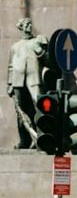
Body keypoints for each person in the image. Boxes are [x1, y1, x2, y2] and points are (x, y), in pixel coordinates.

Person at [6, 18, 47, 149]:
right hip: (18, 80)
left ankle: (41, 138)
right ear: (22, 27)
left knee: (38, 106)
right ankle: (24, 140)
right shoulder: (15, 46)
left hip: (33, 78)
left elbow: (46, 58)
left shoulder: (36, 41)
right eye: (27, 24)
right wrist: (10, 83)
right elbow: (11, 66)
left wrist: (43, 47)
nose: (30, 26)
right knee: (20, 111)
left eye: (30, 24)